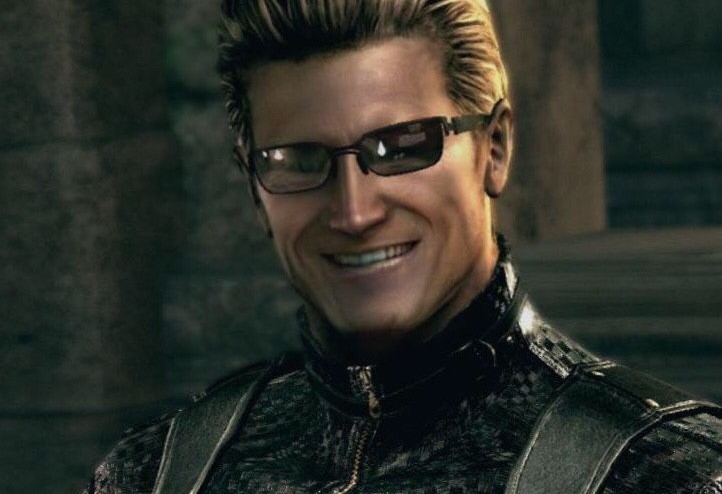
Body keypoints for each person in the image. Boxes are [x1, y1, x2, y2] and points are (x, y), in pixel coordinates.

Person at [83, 1, 722, 493]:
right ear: (255, 187)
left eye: (402, 147)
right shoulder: (155, 473)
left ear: (495, 148)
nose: (354, 212)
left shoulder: (668, 476)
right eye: (299, 160)